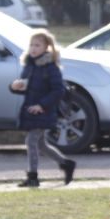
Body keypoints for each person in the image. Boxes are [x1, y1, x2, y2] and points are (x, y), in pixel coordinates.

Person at [9, 29, 76, 188]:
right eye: (31, 45)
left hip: (44, 111)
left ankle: (33, 177)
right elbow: (27, 87)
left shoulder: (51, 67)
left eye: (37, 45)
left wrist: (42, 105)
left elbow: (58, 90)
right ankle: (66, 164)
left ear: (46, 47)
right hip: (31, 109)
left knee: (31, 141)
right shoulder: (30, 65)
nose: (33, 48)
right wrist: (15, 86)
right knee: (41, 144)